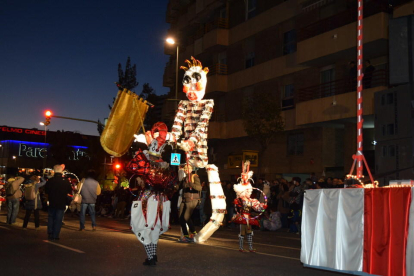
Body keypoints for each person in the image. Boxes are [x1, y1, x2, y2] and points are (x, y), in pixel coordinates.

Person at [231, 161, 267, 252]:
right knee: (242, 232)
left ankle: (250, 248)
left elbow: (257, 207)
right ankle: (241, 247)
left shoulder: (252, 200)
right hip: (243, 216)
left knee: (250, 232)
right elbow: (236, 205)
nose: (247, 192)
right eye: (246, 191)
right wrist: (237, 202)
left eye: (248, 191)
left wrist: (263, 206)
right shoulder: (240, 199)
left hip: (249, 217)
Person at [45, 164, 72, 240]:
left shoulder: (50, 181)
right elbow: (69, 191)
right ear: (62, 171)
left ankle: (50, 232)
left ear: (54, 171)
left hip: (52, 201)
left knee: (51, 217)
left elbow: (46, 191)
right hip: (61, 202)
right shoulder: (65, 181)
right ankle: (55, 235)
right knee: (58, 219)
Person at [178, 164, 202, 242]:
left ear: (191, 169)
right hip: (185, 199)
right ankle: (186, 235)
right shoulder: (184, 178)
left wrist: (191, 184)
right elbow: (180, 187)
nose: (186, 170)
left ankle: (193, 233)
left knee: (186, 217)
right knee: (181, 218)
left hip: (192, 199)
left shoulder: (194, 177)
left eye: (187, 169)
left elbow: (199, 188)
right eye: (185, 169)